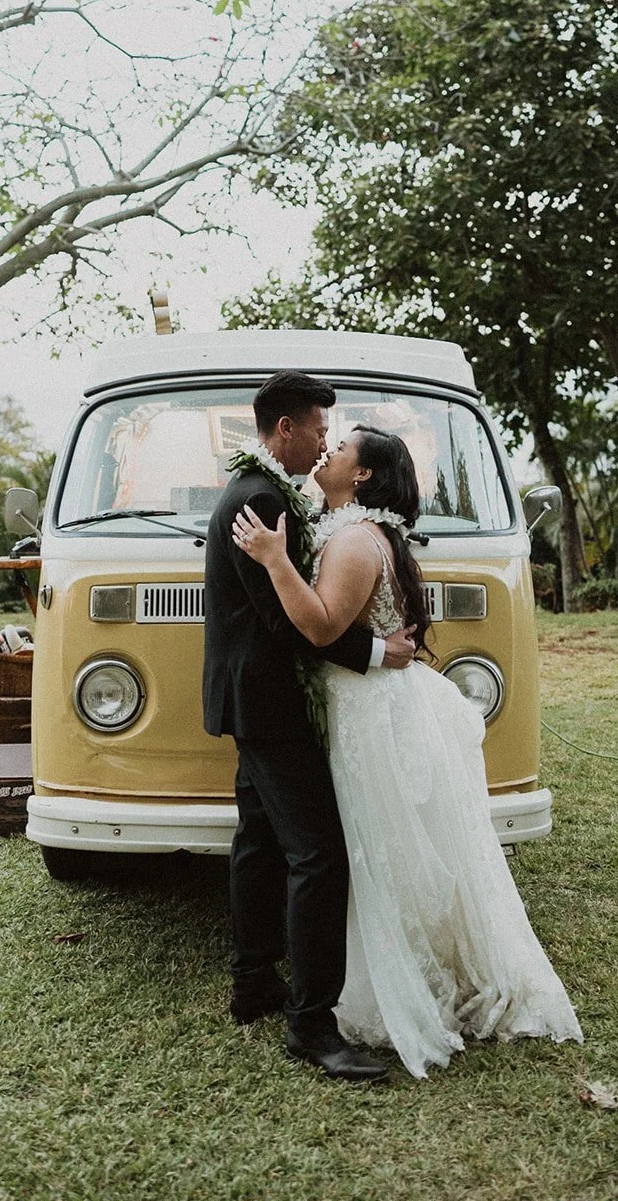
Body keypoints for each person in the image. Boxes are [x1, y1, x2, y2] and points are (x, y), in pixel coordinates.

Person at [232, 424, 583, 1078]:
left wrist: (275, 561)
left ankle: (386, 982)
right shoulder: (352, 530)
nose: (329, 451)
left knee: (372, 851)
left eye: (342, 449)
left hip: (365, 713)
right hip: (364, 700)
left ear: (362, 475)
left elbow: (321, 626)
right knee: (374, 849)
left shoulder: (353, 540)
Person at [203, 371, 416, 1084]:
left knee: (259, 840)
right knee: (319, 856)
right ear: (286, 428)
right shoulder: (261, 499)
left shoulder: (260, 490)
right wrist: (378, 652)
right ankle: (312, 1026)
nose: (326, 442)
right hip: (268, 701)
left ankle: (252, 982)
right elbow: (292, 624)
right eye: (320, 430)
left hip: (251, 696)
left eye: (334, 436)